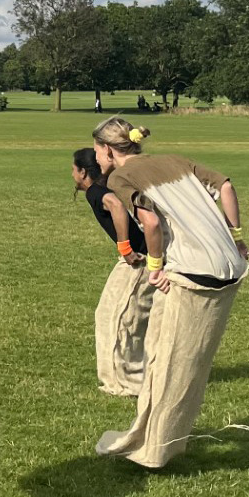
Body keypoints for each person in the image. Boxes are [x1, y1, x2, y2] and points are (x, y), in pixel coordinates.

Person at [90, 117, 249, 468]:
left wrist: (155, 268)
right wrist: (237, 238)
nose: (96, 158)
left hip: (192, 270)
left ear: (108, 150)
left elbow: (149, 222)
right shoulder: (175, 161)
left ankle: (155, 448)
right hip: (230, 267)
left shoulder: (120, 178)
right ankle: (156, 438)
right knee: (181, 361)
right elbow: (225, 186)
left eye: (98, 151)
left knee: (166, 362)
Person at [71, 147, 152, 397]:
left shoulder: (96, 191)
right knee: (117, 315)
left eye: (73, 169)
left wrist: (124, 246)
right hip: (147, 257)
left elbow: (115, 206)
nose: (72, 174)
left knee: (118, 317)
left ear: (83, 172)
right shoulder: (110, 184)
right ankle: (128, 375)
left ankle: (127, 382)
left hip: (140, 260)